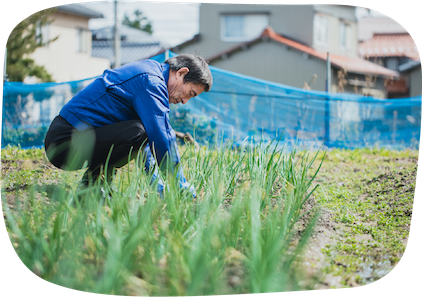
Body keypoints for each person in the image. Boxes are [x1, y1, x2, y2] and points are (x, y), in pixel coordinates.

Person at [44, 54, 213, 199]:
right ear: (181, 73)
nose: (184, 101)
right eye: (190, 93)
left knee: (139, 131)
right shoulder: (151, 82)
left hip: (75, 137)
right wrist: (179, 185)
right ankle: (92, 189)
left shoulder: (152, 75)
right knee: (139, 131)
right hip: (65, 141)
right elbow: (162, 136)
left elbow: (143, 144)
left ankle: (93, 189)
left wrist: (159, 187)